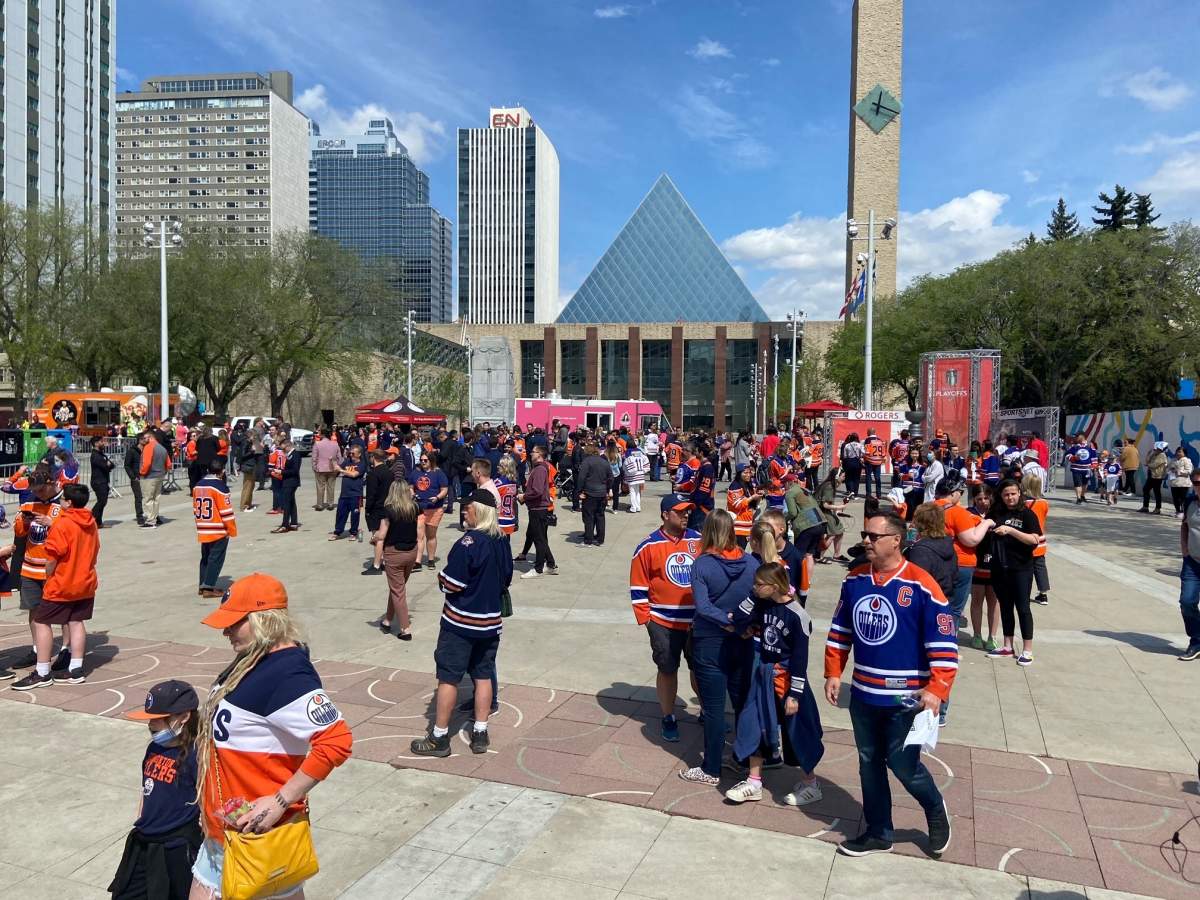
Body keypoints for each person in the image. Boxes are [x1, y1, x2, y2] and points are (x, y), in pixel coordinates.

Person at [191, 573, 352, 898]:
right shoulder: (254, 660)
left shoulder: (287, 673)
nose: (225, 631)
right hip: (227, 834)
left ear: (263, 620)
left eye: (234, 623)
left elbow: (336, 741)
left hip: (257, 841)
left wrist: (281, 800)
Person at [824, 512, 956, 858]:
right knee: (868, 762)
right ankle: (878, 832)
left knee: (903, 766)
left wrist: (937, 689)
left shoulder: (922, 584)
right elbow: (840, 630)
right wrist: (833, 671)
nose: (865, 541)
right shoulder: (854, 580)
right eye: (865, 534)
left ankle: (935, 807)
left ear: (896, 540)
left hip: (905, 699)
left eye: (873, 536)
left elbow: (944, 645)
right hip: (863, 695)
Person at [411, 490, 513, 757]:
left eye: (468, 507)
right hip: (490, 621)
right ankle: (480, 731)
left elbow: (451, 583)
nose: (464, 511)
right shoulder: (502, 539)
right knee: (483, 674)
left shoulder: (468, 542)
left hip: (461, 622)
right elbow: (507, 577)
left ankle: (439, 736)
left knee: (448, 678)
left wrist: (442, 580)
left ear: (479, 510)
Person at [725, 561, 825, 806]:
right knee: (753, 724)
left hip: (787, 681)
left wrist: (795, 695)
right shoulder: (763, 603)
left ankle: (811, 784)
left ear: (775, 586)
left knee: (798, 734)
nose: (755, 587)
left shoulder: (798, 616)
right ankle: (754, 782)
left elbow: (800, 659)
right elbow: (738, 618)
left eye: (759, 585)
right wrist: (753, 599)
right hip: (764, 676)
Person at [679, 510, 756, 785]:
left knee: (713, 709)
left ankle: (711, 768)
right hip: (743, 640)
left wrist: (726, 622)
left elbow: (703, 606)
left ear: (708, 531)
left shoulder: (702, 564)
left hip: (710, 641)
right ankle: (745, 760)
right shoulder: (751, 563)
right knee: (743, 703)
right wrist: (743, 624)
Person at [110, 680, 203, 900]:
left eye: (158, 719)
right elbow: (147, 788)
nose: (151, 724)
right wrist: (142, 815)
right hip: (144, 841)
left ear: (184, 717)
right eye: (150, 718)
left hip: (176, 848)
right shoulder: (154, 748)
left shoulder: (197, 754)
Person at [630, 494, 702, 743]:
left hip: (697, 621)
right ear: (665, 515)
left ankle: (707, 712)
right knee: (668, 669)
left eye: (687, 511)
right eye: (680, 512)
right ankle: (668, 716)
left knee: (700, 668)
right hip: (662, 622)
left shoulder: (698, 540)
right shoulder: (648, 546)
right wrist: (648, 621)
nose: (686, 515)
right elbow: (638, 587)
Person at [12, 482, 97, 690]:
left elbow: (52, 557)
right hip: (85, 581)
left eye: (63, 499)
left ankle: (42, 671)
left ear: (69, 502)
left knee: (42, 622)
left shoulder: (63, 524)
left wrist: (49, 574)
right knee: (76, 621)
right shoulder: (90, 521)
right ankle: (76, 668)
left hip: (62, 583)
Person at [985, 479, 1042, 666]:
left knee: (1023, 608)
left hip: (1021, 568)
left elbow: (1035, 539)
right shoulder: (996, 512)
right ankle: (1007, 646)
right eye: (1006, 494)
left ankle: (1027, 649)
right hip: (999, 567)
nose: (1010, 497)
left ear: (1019, 493)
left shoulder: (1027, 514)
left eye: (1013, 494)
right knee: (1005, 606)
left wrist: (1010, 530)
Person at [375, 480, 419, 640]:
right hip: (411, 552)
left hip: (395, 554)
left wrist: (376, 557)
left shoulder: (388, 510)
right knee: (397, 588)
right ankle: (387, 620)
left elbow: (381, 535)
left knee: (398, 591)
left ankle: (405, 629)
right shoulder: (414, 508)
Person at [193, 460, 237, 599]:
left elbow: (195, 508)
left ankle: (203, 584)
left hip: (203, 526)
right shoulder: (220, 487)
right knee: (216, 558)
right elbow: (226, 511)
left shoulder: (197, 485)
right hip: (217, 528)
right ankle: (208, 587)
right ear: (222, 472)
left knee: (205, 558)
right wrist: (231, 529)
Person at [968, 485, 1000, 651]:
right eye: (979, 498)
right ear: (974, 499)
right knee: (977, 600)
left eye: (986, 498)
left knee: (994, 602)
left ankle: (992, 637)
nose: (983, 502)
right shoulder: (968, 513)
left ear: (991, 498)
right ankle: (977, 634)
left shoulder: (997, 513)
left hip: (995, 564)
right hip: (976, 563)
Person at [905, 504, 958, 599]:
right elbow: (954, 573)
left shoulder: (920, 550)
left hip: (926, 599)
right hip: (944, 597)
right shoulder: (947, 543)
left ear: (919, 522)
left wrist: (908, 546)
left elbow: (915, 581)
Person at [520, 445, 558, 577]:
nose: (531, 453)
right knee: (540, 538)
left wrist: (524, 496)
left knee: (539, 539)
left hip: (539, 508)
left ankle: (538, 568)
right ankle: (551, 564)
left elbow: (537, 491)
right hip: (537, 508)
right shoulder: (538, 468)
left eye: (533, 452)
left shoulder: (540, 469)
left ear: (540, 455)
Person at [410, 450, 449, 569]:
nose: (423, 462)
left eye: (425, 460)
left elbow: (444, 489)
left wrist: (437, 497)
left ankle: (431, 559)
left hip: (434, 508)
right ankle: (418, 561)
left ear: (431, 461)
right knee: (419, 535)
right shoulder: (416, 472)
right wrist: (412, 493)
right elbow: (410, 486)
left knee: (431, 535)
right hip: (419, 508)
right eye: (421, 460)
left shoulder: (438, 473)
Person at [1178, 468, 1200, 660]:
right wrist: (1185, 550)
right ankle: (1197, 641)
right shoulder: (1190, 502)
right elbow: (1184, 526)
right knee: (1187, 602)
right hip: (1192, 563)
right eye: (1196, 483)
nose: (1199, 487)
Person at [362, 449, 392, 575]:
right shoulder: (389, 472)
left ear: (373, 457)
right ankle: (383, 561)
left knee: (377, 537)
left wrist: (367, 509)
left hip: (376, 509)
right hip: (388, 507)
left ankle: (376, 565)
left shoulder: (373, 474)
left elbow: (371, 494)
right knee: (385, 537)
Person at [1023, 474, 1051, 606]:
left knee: (1025, 567)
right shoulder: (1044, 503)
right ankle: (1043, 594)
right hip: (1040, 540)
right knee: (1040, 567)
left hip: (1026, 539)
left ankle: (1024, 592)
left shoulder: (1023, 504)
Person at [578, 443, 612, 547]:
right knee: (600, 516)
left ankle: (588, 540)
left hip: (590, 492)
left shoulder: (586, 462)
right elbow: (610, 477)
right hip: (602, 492)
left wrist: (579, 491)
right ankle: (600, 539)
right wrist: (608, 489)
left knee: (589, 516)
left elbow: (581, 477)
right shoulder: (604, 462)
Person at [330, 444, 366, 540]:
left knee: (355, 514)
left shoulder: (362, 464)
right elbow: (336, 470)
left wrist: (341, 470)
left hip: (356, 494)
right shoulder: (347, 461)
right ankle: (338, 531)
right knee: (340, 513)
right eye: (350, 453)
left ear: (359, 454)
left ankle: (353, 532)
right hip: (344, 493)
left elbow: (354, 474)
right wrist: (333, 462)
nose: (351, 455)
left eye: (353, 453)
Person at [815, 467, 848, 562]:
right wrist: (839, 507)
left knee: (839, 530)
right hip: (821, 512)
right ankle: (819, 556)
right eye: (843, 476)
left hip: (824, 511)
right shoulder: (829, 486)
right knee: (832, 533)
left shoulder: (830, 484)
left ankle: (836, 555)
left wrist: (836, 510)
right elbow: (825, 505)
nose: (844, 478)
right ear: (837, 476)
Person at [139, 430, 171, 528]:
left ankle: (150, 521)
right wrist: (163, 472)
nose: (144, 440)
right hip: (159, 476)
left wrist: (141, 472)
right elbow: (168, 464)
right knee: (156, 498)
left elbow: (147, 463)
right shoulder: (162, 448)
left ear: (150, 437)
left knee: (148, 499)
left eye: (145, 438)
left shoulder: (149, 447)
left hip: (149, 476)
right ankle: (155, 518)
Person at [727, 466, 764, 549]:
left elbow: (753, 506)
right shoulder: (735, 486)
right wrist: (752, 497)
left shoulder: (748, 485)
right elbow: (737, 504)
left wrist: (758, 496)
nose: (748, 475)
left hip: (746, 525)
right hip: (737, 527)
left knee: (741, 551)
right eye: (745, 473)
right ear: (739, 474)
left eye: (749, 472)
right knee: (736, 552)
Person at [310, 428, 343, 512]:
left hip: (320, 468)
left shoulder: (317, 444)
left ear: (322, 435)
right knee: (331, 486)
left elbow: (314, 457)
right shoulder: (335, 444)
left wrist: (314, 467)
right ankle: (330, 504)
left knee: (320, 487)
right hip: (332, 468)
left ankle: (320, 505)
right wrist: (338, 466)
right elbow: (340, 457)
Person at [273, 439, 302, 534]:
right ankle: (293, 523)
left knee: (286, 503)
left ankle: (285, 525)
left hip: (291, 482)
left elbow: (295, 470)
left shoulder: (295, 454)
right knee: (291, 502)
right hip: (287, 481)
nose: (283, 450)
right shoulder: (289, 455)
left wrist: (281, 472)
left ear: (288, 445)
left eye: (283, 448)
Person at [89, 441, 115, 528]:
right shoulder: (95, 455)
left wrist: (109, 464)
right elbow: (105, 466)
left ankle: (98, 522)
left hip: (104, 481)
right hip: (98, 481)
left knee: (103, 502)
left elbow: (112, 465)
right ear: (96, 443)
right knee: (102, 501)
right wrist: (107, 465)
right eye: (101, 442)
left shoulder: (101, 454)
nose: (103, 443)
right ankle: (90, 517)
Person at [123, 434, 146, 527]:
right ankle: (140, 516)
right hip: (136, 478)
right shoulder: (132, 451)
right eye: (144, 439)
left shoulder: (147, 450)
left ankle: (154, 515)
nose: (146, 440)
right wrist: (133, 477)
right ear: (139, 440)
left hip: (146, 476)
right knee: (138, 497)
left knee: (150, 497)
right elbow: (127, 465)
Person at [1141, 441, 1169, 514]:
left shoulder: (1162, 455)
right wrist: (1148, 455)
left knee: (1157, 492)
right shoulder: (1154, 454)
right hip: (1151, 475)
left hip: (1157, 476)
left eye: (1157, 449)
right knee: (1146, 489)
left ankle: (1158, 508)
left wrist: (1148, 464)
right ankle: (1145, 507)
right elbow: (1147, 461)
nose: (1155, 450)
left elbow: (1154, 465)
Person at [622, 442, 650, 514]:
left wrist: (626, 473)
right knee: (637, 492)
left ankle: (633, 508)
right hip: (640, 476)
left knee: (632, 492)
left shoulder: (628, 454)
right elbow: (646, 462)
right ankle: (638, 506)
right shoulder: (640, 453)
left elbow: (625, 466)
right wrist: (643, 471)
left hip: (632, 477)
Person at [1168, 447, 1194, 518]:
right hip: (1174, 483)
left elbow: (1189, 471)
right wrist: (1171, 470)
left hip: (1183, 483)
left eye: (1180, 452)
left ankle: (1183, 512)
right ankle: (1177, 511)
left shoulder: (1187, 460)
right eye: (1177, 451)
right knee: (1175, 498)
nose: (1178, 453)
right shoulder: (1173, 460)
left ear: (1184, 453)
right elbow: (1168, 468)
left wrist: (1179, 471)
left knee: (1183, 498)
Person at [861, 428, 886, 499]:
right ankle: (879, 494)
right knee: (877, 478)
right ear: (875, 432)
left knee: (868, 477)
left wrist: (863, 455)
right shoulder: (880, 440)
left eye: (867, 432)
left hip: (869, 461)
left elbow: (866, 451)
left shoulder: (868, 440)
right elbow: (883, 452)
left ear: (869, 432)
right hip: (878, 461)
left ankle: (868, 494)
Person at [840, 432, 863, 499]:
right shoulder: (860, 445)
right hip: (857, 462)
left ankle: (851, 491)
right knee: (856, 478)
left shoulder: (847, 445)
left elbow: (845, 455)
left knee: (849, 477)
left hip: (849, 462)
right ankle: (855, 493)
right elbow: (863, 453)